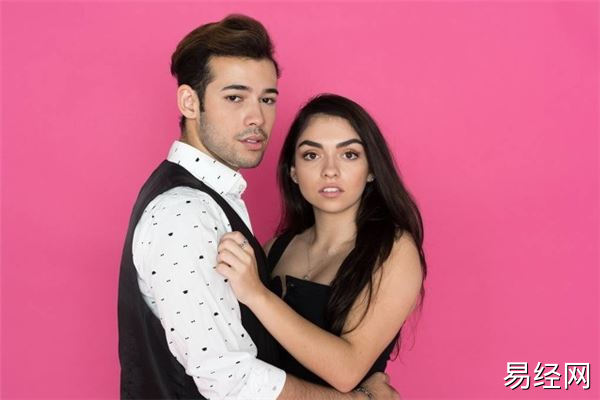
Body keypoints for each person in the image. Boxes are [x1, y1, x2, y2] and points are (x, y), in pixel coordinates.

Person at [117, 15, 398, 400]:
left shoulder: (216, 202)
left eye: (267, 99)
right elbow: (228, 380)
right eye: (235, 97)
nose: (257, 118)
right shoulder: (185, 212)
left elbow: (265, 343)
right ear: (189, 102)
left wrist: (368, 375)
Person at [216, 94, 427, 392]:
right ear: (293, 171)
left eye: (349, 154)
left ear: (371, 169)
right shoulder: (275, 249)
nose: (330, 170)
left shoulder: (393, 250)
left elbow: (347, 370)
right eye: (311, 155)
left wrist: (257, 294)